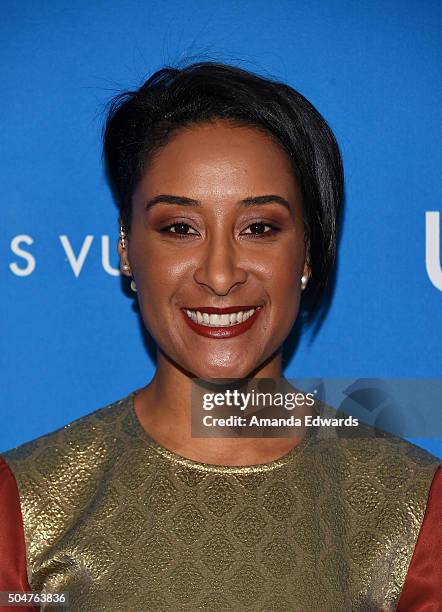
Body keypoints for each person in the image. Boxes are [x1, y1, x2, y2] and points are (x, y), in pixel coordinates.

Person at [0, 61, 441, 612]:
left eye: (259, 228)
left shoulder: (414, 510)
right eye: (179, 229)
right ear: (125, 250)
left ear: (306, 251)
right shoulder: (22, 508)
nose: (220, 272)